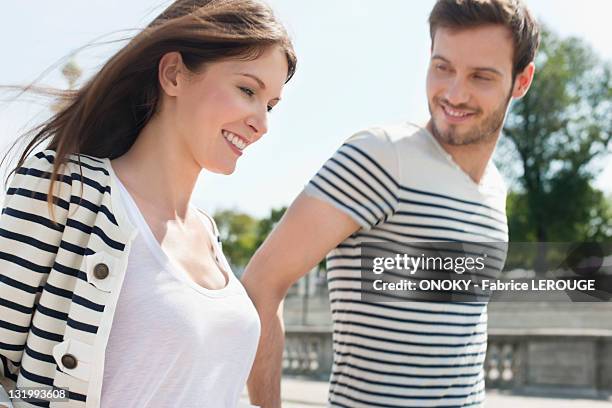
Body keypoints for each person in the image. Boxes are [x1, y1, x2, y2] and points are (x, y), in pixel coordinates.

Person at [242, 0, 539, 406]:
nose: (454, 93)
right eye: (442, 67)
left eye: (481, 77)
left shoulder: (494, 189)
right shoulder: (381, 156)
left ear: (521, 82)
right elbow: (261, 282)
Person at [0, 0, 296, 407]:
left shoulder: (207, 235)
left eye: (270, 106)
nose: (262, 124)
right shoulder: (65, 187)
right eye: (247, 90)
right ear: (173, 74)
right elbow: (6, 378)